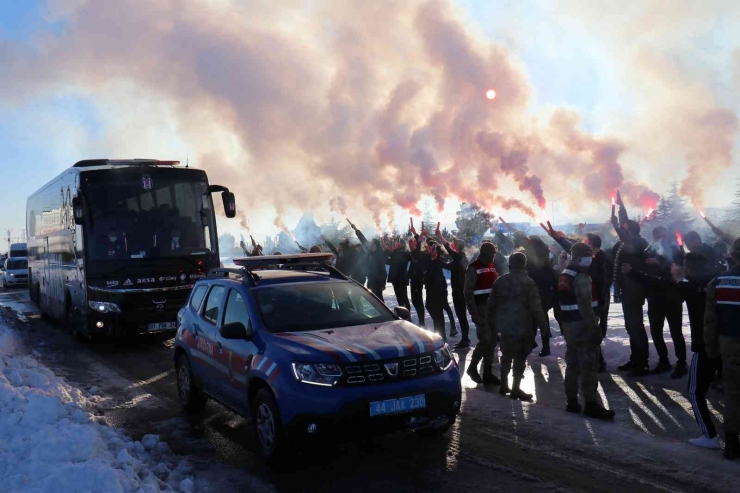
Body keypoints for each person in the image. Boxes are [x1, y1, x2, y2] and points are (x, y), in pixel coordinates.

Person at [624, 252, 721, 449]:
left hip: (706, 345)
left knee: (695, 391)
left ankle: (710, 435)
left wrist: (633, 273)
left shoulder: (690, 286)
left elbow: (661, 283)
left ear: (690, 268)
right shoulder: (717, 280)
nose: (680, 267)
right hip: (728, 343)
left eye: (684, 265)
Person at [559, 242, 615, 419]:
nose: (590, 259)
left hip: (570, 326)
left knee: (572, 364)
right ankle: (591, 404)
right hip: (583, 325)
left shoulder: (565, 273)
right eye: (587, 255)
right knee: (589, 365)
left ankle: (572, 402)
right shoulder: (581, 276)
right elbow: (585, 304)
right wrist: (595, 328)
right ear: (577, 257)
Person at [488, 252, 550, 401]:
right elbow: (536, 307)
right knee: (520, 357)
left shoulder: (500, 281)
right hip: (523, 327)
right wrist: (544, 326)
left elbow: (491, 304)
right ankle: (515, 389)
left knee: (506, 356)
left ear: (510, 264)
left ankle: (504, 385)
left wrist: (492, 325)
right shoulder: (528, 282)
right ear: (524, 264)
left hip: (505, 326)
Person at [551, 231, 611, 372]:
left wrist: (601, 305)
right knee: (583, 342)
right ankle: (591, 364)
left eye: (587, 242)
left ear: (591, 246)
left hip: (596, 305)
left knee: (592, 338)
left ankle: (596, 363)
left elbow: (601, 283)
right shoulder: (582, 264)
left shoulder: (600, 259)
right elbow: (574, 247)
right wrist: (559, 238)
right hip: (583, 312)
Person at [704, 237, 740, 460]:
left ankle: (733, 442)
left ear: (733, 255)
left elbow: (710, 321)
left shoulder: (717, 282)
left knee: (733, 392)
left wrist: (711, 350)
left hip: (730, 344)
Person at [611, 192, 651, 377]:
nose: (622, 230)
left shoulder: (637, 242)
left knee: (635, 326)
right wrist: (621, 206)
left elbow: (626, 234)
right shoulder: (629, 240)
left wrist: (617, 225)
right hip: (627, 289)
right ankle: (636, 358)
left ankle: (641, 363)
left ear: (631, 231)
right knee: (631, 326)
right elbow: (625, 226)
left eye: (625, 228)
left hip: (634, 290)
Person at [643, 226, 687, 378]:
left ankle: (682, 363)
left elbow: (679, 269)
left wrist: (659, 262)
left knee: (676, 332)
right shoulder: (650, 249)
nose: (659, 237)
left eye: (661, 234)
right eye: (656, 234)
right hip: (654, 296)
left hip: (672, 296)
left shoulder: (674, 250)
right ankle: (663, 361)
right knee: (656, 331)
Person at [464, 242, 500, 384]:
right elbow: (468, 293)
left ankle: (487, 373)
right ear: (484, 253)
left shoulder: (491, 267)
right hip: (481, 309)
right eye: (492, 253)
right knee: (485, 339)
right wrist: (474, 313)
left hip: (493, 309)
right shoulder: (473, 268)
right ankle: (472, 367)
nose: (494, 255)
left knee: (491, 341)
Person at [438, 231, 469, 347]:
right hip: (461, 290)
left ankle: (465, 340)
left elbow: (447, 248)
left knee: (461, 315)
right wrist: (438, 261)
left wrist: (440, 235)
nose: (451, 246)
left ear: (457, 247)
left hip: (459, 291)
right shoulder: (461, 257)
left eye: (453, 245)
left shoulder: (458, 256)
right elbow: (448, 266)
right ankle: (465, 338)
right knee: (462, 316)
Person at [424, 242, 451, 341]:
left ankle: (441, 335)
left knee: (438, 312)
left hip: (439, 289)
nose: (428, 249)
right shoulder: (430, 259)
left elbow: (448, 265)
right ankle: (439, 331)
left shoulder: (438, 259)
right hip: (431, 288)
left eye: (430, 248)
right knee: (430, 307)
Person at [408, 231, 427, 327]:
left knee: (418, 301)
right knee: (415, 301)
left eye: (413, 242)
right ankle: (421, 321)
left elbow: (418, 242)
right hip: (414, 280)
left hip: (418, 280)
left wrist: (418, 233)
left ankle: (422, 322)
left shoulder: (418, 252)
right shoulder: (413, 253)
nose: (411, 243)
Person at [387, 239, 411, 311]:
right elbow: (388, 261)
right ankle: (402, 313)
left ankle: (407, 314)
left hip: (401, 279)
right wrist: (387, 252)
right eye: (396, 243)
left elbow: (399, 258)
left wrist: (392, 252)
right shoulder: (395, 253)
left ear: (401, 244)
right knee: (399, 298)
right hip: (395, 279)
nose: (396, 244)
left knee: (404, 298)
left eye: (398, 243)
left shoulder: (404, 253)